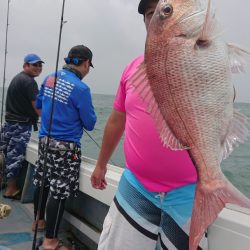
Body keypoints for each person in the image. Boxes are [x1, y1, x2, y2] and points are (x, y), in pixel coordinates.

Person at [91, 1, 207, 249]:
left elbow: (221, 104)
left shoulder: (201, 62)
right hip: (137, 185)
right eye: (150, 14)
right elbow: (116, 120)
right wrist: (100, 165)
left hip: (188, 191)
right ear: (145, 22)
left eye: (165, 12)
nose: (156, 19)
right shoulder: (131, 68)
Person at [33, 45, 96, 250]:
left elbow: (39, 106)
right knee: (58, 192)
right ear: (86, 63)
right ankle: (51, 241)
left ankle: (38, 222)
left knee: (42, 181)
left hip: (44, 141)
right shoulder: (81, 88)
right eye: (89, 66)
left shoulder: (49, 78)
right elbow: (90, 123)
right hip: (65, 148)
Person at [0, 54, 43, 198]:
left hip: (9, 124)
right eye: (34, 65)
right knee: (15, 157)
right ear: (25, 66)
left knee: (5, 153)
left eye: (39, 65)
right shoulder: (30, 82)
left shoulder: (17, 78)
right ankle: (11, 190)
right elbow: (37, 108)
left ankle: (3, 182)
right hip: (21, 126)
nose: (38, 68)